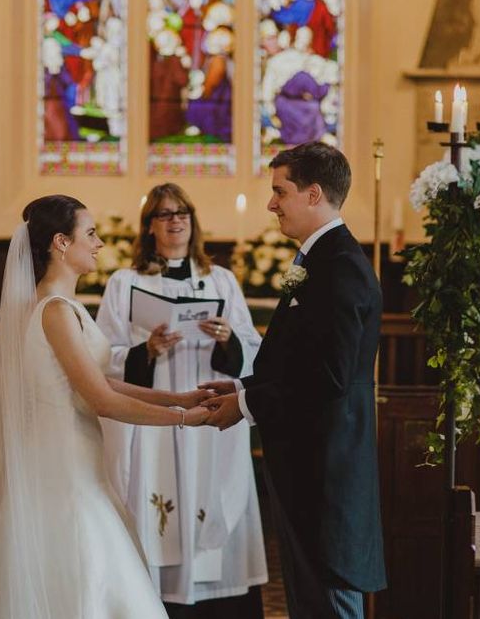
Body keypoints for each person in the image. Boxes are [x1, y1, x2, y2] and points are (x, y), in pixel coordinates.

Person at [0, 195, 211, 619]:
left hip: (77, 464)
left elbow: (99, 381)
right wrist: (183, 419)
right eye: (90, 233)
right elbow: (101, 400)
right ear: (61, 243)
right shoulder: (55, 312)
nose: (99, 243)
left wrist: (179, 397)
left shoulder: (62, 307)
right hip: (63, 475)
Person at [202, 143, 386, 619]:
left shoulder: (339, 268)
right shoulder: (320, 260)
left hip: (326, 467)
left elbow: (328, 378)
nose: (271, 203)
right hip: (310, 463)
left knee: (328, 600)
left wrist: (247, 406)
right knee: (311, 600)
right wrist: (243, 388)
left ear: (313, 194)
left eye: (280, 191)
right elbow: (301, 362)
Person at [96, 183, 268, 618]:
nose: (175, 221)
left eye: (182, 213)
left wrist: (229, 341)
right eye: (165, 214)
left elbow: (254, 349)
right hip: (155, 421)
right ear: (149, 227)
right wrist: (146, 350)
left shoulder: (221, 280)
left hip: (212, 414)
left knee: (215, 502)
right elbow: (102, 358)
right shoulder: (126, 283)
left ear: (193, 222)